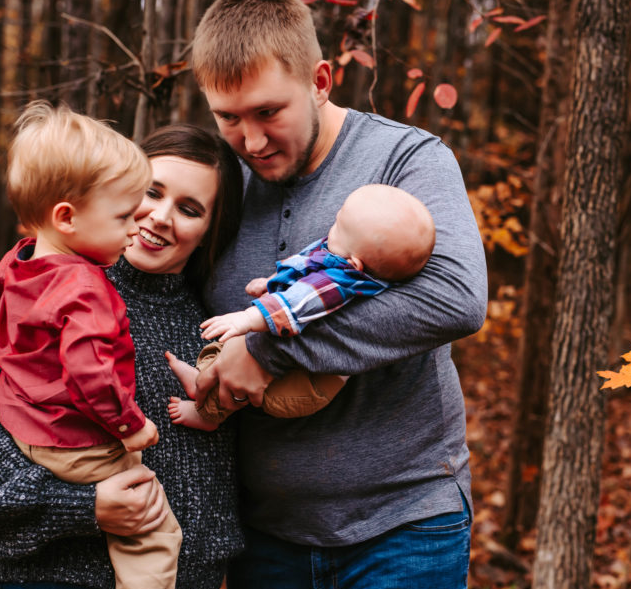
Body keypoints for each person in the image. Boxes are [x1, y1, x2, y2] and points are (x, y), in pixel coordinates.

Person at [190, 0, 488, 589]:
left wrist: (270, 346)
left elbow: (457, 298)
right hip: (267, 539)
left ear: (321, 79)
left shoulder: (406, 159)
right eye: (228, 117)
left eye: (269, 111)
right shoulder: (220, 182)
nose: (251, 138)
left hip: (403, 529)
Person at [0, 123, 245, 589]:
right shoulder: (47, 285)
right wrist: (82, 507)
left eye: (189, 208)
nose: (158, 216)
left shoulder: (217, 323)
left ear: (211, 228)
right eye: (150, 192)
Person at [166, 183, 436, 431]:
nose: (331, 228)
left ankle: (209, 414)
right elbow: (307, 265)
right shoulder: (346, 256)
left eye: (338, 227)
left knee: (247, 367)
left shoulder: (341, 282)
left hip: (308, 385)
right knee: (236, 351)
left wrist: (247, 318)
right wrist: (273, 283)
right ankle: (204, 378)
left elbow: (297, 305)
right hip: (303, 363)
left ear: (355, 264)